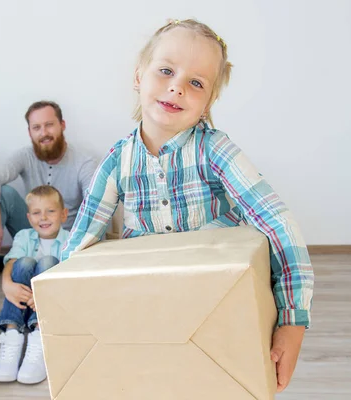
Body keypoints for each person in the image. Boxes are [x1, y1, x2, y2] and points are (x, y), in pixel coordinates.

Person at [61, 19, 314, 393]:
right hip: (149, 307)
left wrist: (292, 321)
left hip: (219, 305)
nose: (177, 86)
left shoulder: (216, 151)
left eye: (196, 82)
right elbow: (82, 236)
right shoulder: (117, 160)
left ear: (208, 101)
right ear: (138, 76)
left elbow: (277, 221)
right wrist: (58, 297)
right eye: (165, 70)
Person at [0, 100, 97, 247]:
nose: (44, 133)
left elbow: (96, 207)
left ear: (62, 125)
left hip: (68, 239)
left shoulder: (84, 162)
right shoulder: (25, 155)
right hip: (32, 235)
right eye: (36, 127)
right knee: (4, 193)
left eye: (49, 125)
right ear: (30, 132)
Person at [0, 185, 69, 384]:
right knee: (24, 262)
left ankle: (39, 336)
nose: (43, 218)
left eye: (50, 211)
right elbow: (10, 262)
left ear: (63, 214)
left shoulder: (70, 241)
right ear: (29, 218)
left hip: (49, 307)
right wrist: (7, 285)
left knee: (48, 262)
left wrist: (43, 297)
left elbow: (69, 281)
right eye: (36, 213)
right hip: (22, 303)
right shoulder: (23, 236)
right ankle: (11, 335)